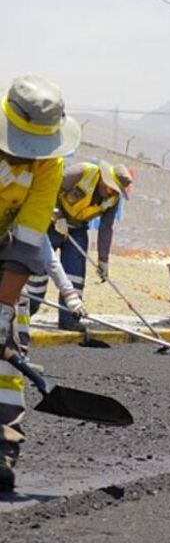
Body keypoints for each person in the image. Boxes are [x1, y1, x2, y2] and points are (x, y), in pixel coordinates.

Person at [0, 74, 81, 490]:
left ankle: (3, 444)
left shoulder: (49, 164)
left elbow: (28, 242)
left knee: (5, 355)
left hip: (4, 251)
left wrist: (1, 314)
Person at [27, 160, 133, 331]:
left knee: (75, 274)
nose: (112, 192)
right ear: (104, 179)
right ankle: (27, 310)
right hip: (53, 224)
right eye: (111, 188)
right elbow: (51, 188)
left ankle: (69, 318)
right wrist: (57, 215)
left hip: (77, 229)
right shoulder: (82, 172)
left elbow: (106, 228)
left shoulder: (113, 199)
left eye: (116, 190)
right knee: (38, 268)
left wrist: (103, 260)